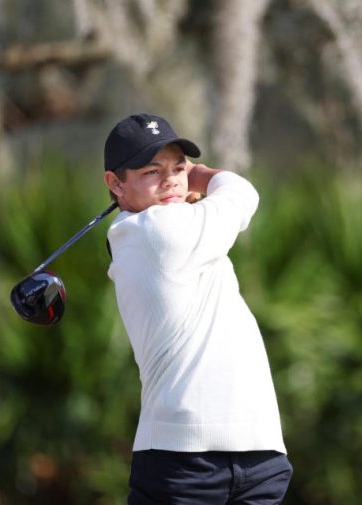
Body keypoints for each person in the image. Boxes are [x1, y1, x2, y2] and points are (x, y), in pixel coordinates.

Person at [102, 113, 292, 505]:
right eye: (152, 171)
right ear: (115, 184)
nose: (171, 179)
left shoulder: (178, 225)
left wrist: (181, 193)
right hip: (181, 463)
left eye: (178, 167)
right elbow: (242, 194)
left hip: (259, 452)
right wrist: (202, 174)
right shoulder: (153, 233)